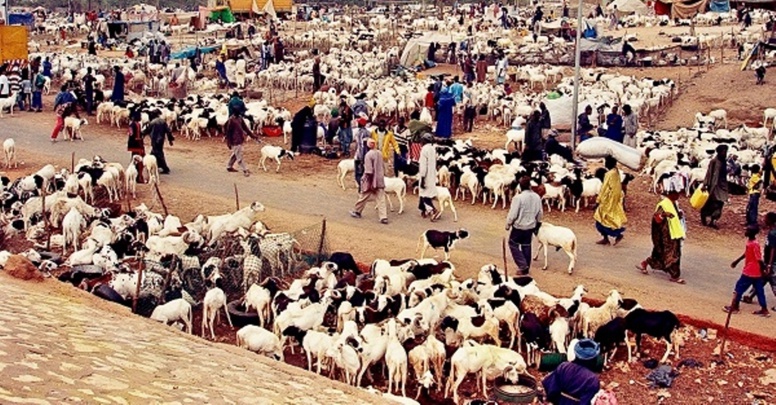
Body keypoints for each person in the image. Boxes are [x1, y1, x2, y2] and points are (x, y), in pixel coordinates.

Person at [637, 187, 686, 284]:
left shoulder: (674, 204)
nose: (678, 196)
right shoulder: (663, 205)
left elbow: (674, 216)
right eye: (676, 194)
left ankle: (645, 263)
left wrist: (678, 215)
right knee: (671, 255)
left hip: (673, 233)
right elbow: (656, 218)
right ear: (670, 194)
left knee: (665, 254)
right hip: (665, 235)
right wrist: (664, 215)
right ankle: (674, 275)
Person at [724, 226, 770, 317]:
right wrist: (737, 261)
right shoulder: (751, 243)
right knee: (759, 290)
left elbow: (759, 259)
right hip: (756, 272)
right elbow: (747, 253)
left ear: (752, 233)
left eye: (748, 230)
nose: (746, 231)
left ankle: (735, 306)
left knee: (739, 287)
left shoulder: (754, 244)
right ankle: (764, 309)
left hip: (750, 271)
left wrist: (764, 269)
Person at [542, 339, 602, 405]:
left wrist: (557, 400)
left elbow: (549, 386)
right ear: (593, 359)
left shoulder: (564, 366)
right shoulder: (592, 379)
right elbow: (586, 402)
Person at [506, 176, 543, 275]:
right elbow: (540, 213)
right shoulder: (537, 197)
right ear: (530, 186)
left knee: (513, 244)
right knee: (526, 245)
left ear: (520, 187)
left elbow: (513, 214)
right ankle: (526, 268)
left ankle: (522, 265)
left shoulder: (518, 198)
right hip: (530, 227)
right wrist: (537, 224)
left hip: (519, 226)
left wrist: (508, 224)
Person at [350, 138, 389, 224]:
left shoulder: (368, 155)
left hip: (371, 180)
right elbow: (383, 166)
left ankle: (357, 211)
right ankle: (383, 217)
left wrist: (369, 183)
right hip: (380, 179)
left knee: (364, 196)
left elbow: (369, 171)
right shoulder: (379, 153)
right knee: (381, 198)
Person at [742, 212, 776, 310]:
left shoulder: (773, 234)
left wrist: (769, 264)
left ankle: (751, 296)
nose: (764, 220)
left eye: (766, 218)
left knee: (773, 282)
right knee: (761, 280)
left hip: (771, 262)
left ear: (770, 220)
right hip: (769, 261)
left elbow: (773, 248)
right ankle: (750, 296)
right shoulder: (772, 232)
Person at [594, 157, 627, 245]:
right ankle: (606, 239)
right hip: (614, 200)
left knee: (600, 219)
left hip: (607, 201)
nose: (605, 164)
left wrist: (598, 200)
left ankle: (617, 235)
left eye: (606, 162)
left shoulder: (609, 174)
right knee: (608, 219)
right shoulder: (616, 172)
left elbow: (604, 189)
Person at [701, 144, 729, 229]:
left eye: (725, 151)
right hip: (714, 186)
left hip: (722, 186)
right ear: (719, 152)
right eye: (723, 151)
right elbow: (709, 173)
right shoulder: (714, 161)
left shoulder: (724, 161)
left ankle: (713, 219)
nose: (725, 153)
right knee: (713, 203)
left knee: (720, 203)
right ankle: (705, 215)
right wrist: (705, 184)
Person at [224, 112, 256, 177]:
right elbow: (228, 132)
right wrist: (228, 142)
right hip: (234, 140)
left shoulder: (240, 118)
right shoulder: (231, 120)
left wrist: (253, 136)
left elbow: (245, 128)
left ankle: (229, 166)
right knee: (239, 156)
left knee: (236, 153)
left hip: (240, 139)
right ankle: (245, 170)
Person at [418, 133, 440, 220]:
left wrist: (423, 178)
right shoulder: (432, 149)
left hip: (426, 175)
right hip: (432, 174)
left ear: (425, 140)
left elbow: (423, 165)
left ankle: (434, 210)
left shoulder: (424, 150)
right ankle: (423, 209)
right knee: (425, 193)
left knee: (424, 195)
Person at [127, 111, 145, 184]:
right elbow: (134, 135)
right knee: (139, 161)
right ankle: (138, 177)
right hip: (137, 145)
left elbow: (131, 134)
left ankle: (133, 175)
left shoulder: (132, 125)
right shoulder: (136, 125)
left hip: (133, 144)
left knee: (134, 159)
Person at [354, 118, 370, 190]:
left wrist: (361, 158)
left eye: (358, 122)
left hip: (359, 156)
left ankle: (361, 187)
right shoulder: (368, 132)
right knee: (364, 172)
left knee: (358, 173)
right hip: (366, 156)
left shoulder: (360, 133)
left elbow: (361, 146)